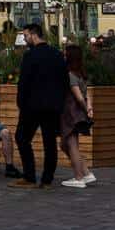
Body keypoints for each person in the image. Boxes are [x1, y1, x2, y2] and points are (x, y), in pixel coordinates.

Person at [9, 22, 69, 189]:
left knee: (22, 138)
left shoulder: (30, 56)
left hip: (32, 106)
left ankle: (29, 176)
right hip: (52, 106)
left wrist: (20, 102)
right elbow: (64, 80)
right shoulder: (57, 54)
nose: (25, 39)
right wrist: (60, 102)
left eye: (26, 35)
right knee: (49, 143)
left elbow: (24, 82)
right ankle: (47, 180)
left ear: (34, 35)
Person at [59, 44, 97, 188]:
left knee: (71, 144)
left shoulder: (70, 75)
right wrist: (89, 107)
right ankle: (86, 173)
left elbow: (79, 96)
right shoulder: (81, 74)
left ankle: (79, 177)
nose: (63, 56)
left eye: (65, 54)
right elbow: (87, 94)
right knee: (64, 145)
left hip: (71, 113)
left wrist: (86, 108)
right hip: (77, 113)